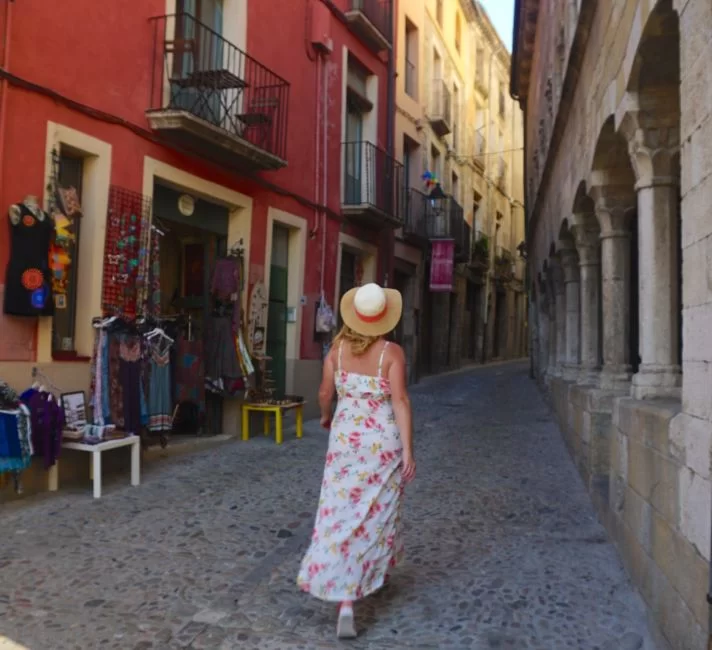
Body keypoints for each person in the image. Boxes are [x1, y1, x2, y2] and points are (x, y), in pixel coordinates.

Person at [297, 283, 416, 639]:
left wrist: (324, 416)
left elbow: (323, 393)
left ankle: (344, 601)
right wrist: (408, 449)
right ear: (384, 318)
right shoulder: (391, 352)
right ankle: (371, 574)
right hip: (382, 444)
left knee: (339, 512)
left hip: (345, 442)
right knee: (375, 513)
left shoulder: (336, 350)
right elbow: (401, 402)